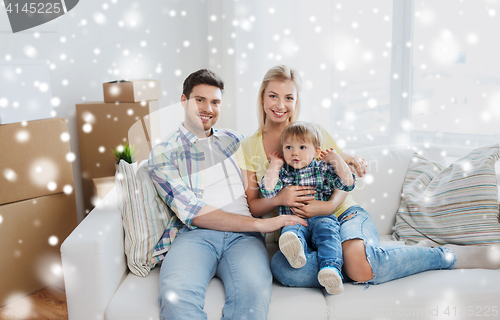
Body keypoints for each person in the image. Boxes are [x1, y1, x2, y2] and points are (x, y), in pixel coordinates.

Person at [239, 64, 500, 291]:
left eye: (289, 97)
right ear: (262, 97)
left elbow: (345, 173)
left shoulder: (312, 133)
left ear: (297, 101)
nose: (280, 105)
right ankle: (353, 263)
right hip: (300, 231)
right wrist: (280, 198)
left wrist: (329, 205)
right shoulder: (249, 146)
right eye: (273, 96)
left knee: (359, 266)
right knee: (284, 270)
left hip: (342, 214)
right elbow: (253, 204)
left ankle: (443, 256)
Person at [148, 69, 306, 320]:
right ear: (183, 101)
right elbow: (194, 213)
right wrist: (261, 224)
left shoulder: (235, 140)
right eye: (199, 100)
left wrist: (340, 160)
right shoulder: (163, 154)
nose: (207, 108)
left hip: (244, 240)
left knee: (253, 298)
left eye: (215, 102)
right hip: (195, 236)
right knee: (176, 299)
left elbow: (292, 150)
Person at [260, 121, 356, 294]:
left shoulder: (323, 169)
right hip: (294, 219)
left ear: (317, 152)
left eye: (302, 147)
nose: (295, 152)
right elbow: (268, 191)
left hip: (322, 217)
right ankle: (296, 253)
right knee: (290, 231)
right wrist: (274, 165)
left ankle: (331, 269)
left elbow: (348, 184)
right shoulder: (284, 172)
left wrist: (336, 159)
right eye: (289, 147)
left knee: (329, 234)